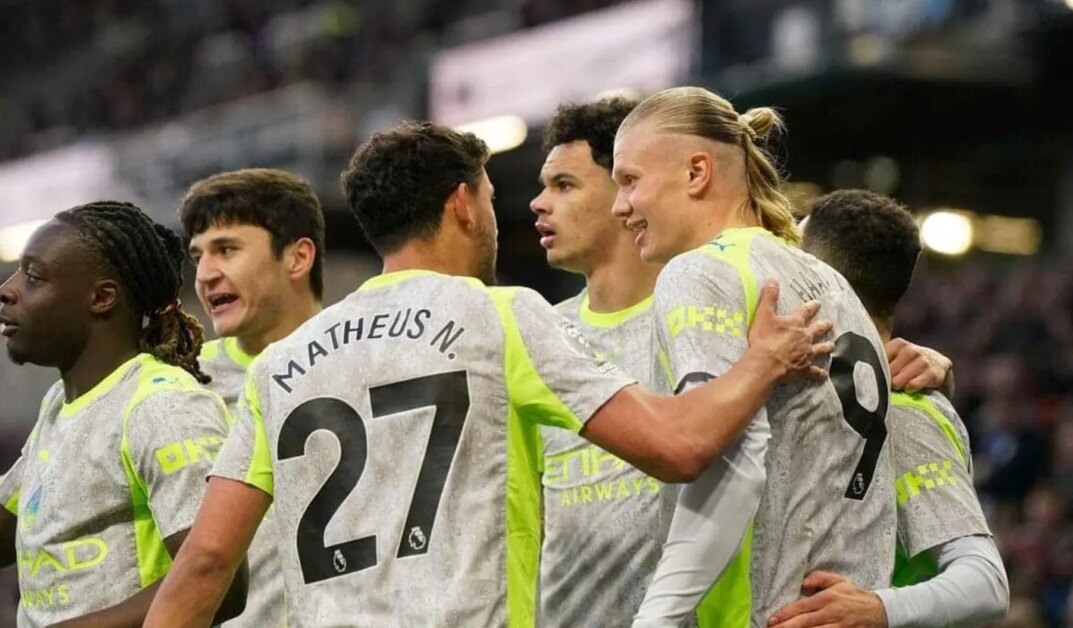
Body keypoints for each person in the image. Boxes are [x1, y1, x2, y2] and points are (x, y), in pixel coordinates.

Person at [145, 120, 833, 627]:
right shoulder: (499, 317)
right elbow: (678, 447)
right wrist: (762, 362)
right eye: (490, 197)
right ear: (462, 205)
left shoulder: (281, 365)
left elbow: (206, 561)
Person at [612, 87, 896, 626]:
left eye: (630, 180)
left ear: (696, 172)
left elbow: (729, 463)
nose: (619, 206)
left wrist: (657, 619)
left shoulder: (701, 272)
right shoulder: (833, 283)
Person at [767, 190, 1009, 627]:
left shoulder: (901, 412)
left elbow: (985, 581)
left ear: (819, 280)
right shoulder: (823, 394)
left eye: (792, 259)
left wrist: (880, 609)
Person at [0, 202, 244, 627]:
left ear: (101, 298)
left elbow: (218, 582)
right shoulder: (61, 403)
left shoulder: (161, 405)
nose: (8, 289)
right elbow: (14, 527)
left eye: (34, 276)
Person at [530, 96, 675, 626]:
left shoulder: (701, 319)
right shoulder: (538, 335)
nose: (538, 203)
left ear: (625, 188)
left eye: (564, 185)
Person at [180, 168, 326, 628]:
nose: (205, 275)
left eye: (226, 249)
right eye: (198, 256)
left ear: (298, 257)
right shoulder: (180, 386)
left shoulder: (365, 358)